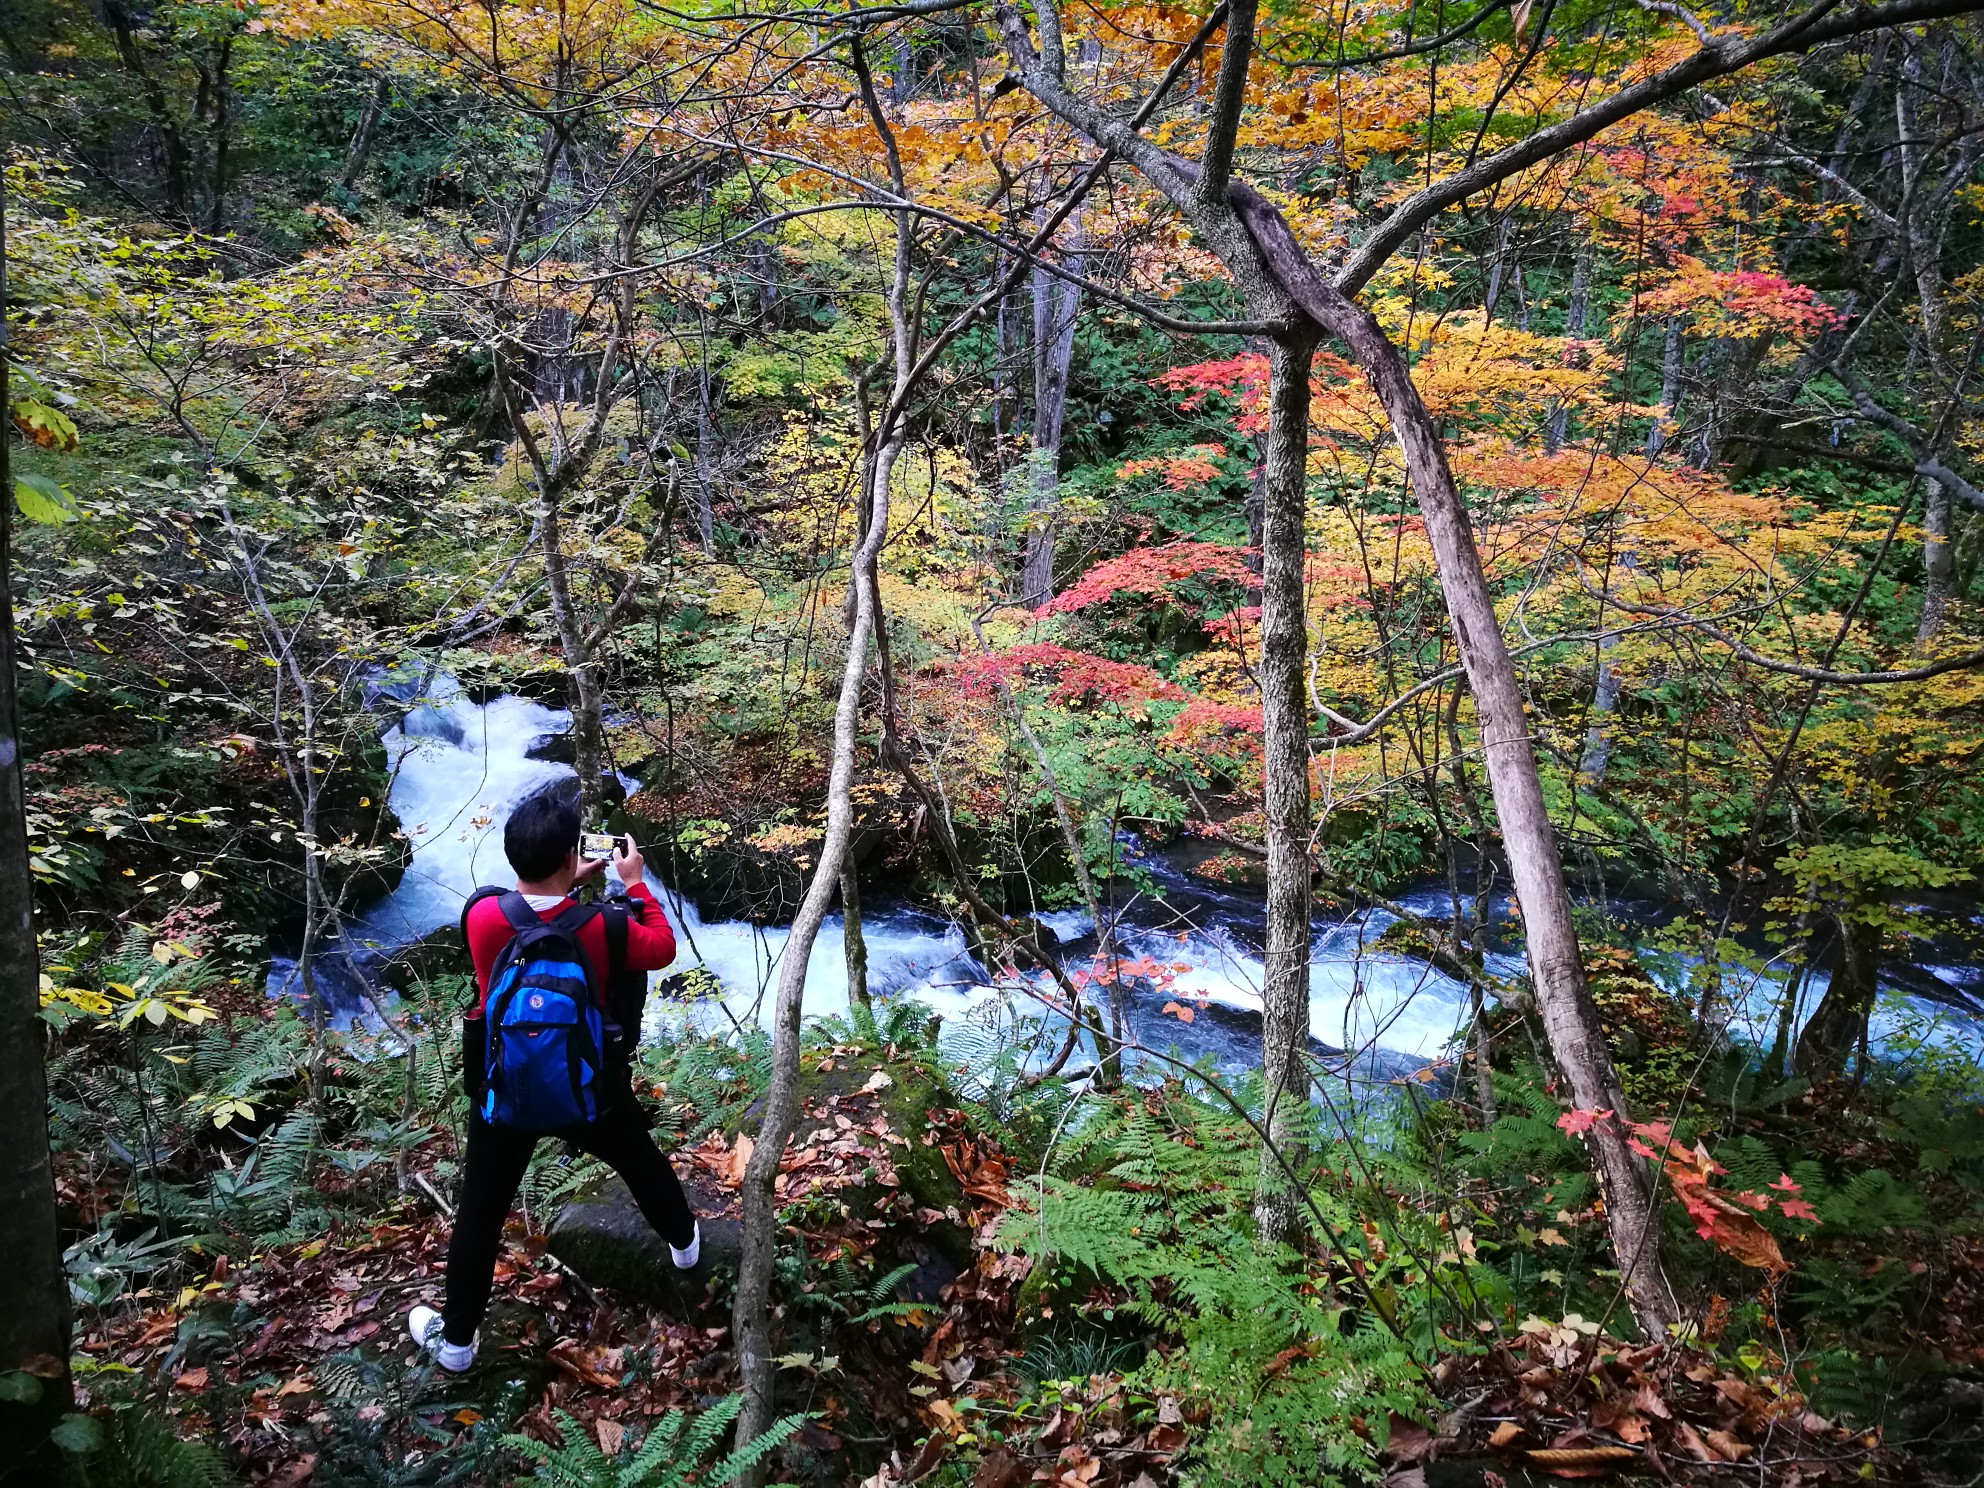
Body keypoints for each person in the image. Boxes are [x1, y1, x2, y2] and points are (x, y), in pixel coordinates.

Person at [407, 787, 700, 1372]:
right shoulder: (603, 927)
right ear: (573, 857)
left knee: (480, 1213)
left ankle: (459, 1343)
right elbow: (663, 948)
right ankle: (686, 1247)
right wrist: (634, 882)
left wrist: (563, 878)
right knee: (639, 1158)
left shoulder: (480, 916)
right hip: (589, 1088)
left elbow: (529, 917)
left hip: (503, 1091)